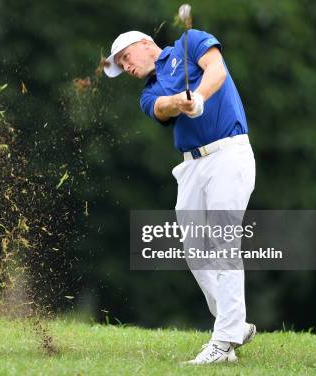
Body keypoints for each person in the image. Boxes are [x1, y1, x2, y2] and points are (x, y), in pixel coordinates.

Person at [104, 30, 257, 364]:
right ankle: (234, 325)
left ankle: (223, 340)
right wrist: (180, 102)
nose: (125, 67)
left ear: (144, 44)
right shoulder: (148, 93)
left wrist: (199, 95)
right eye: (119, 65)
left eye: (125, 58)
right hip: (191, 167)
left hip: (228, 153)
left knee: (222, 240)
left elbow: (217, 70)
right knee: (193, 249)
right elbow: (161, 108)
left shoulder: (190, 41)